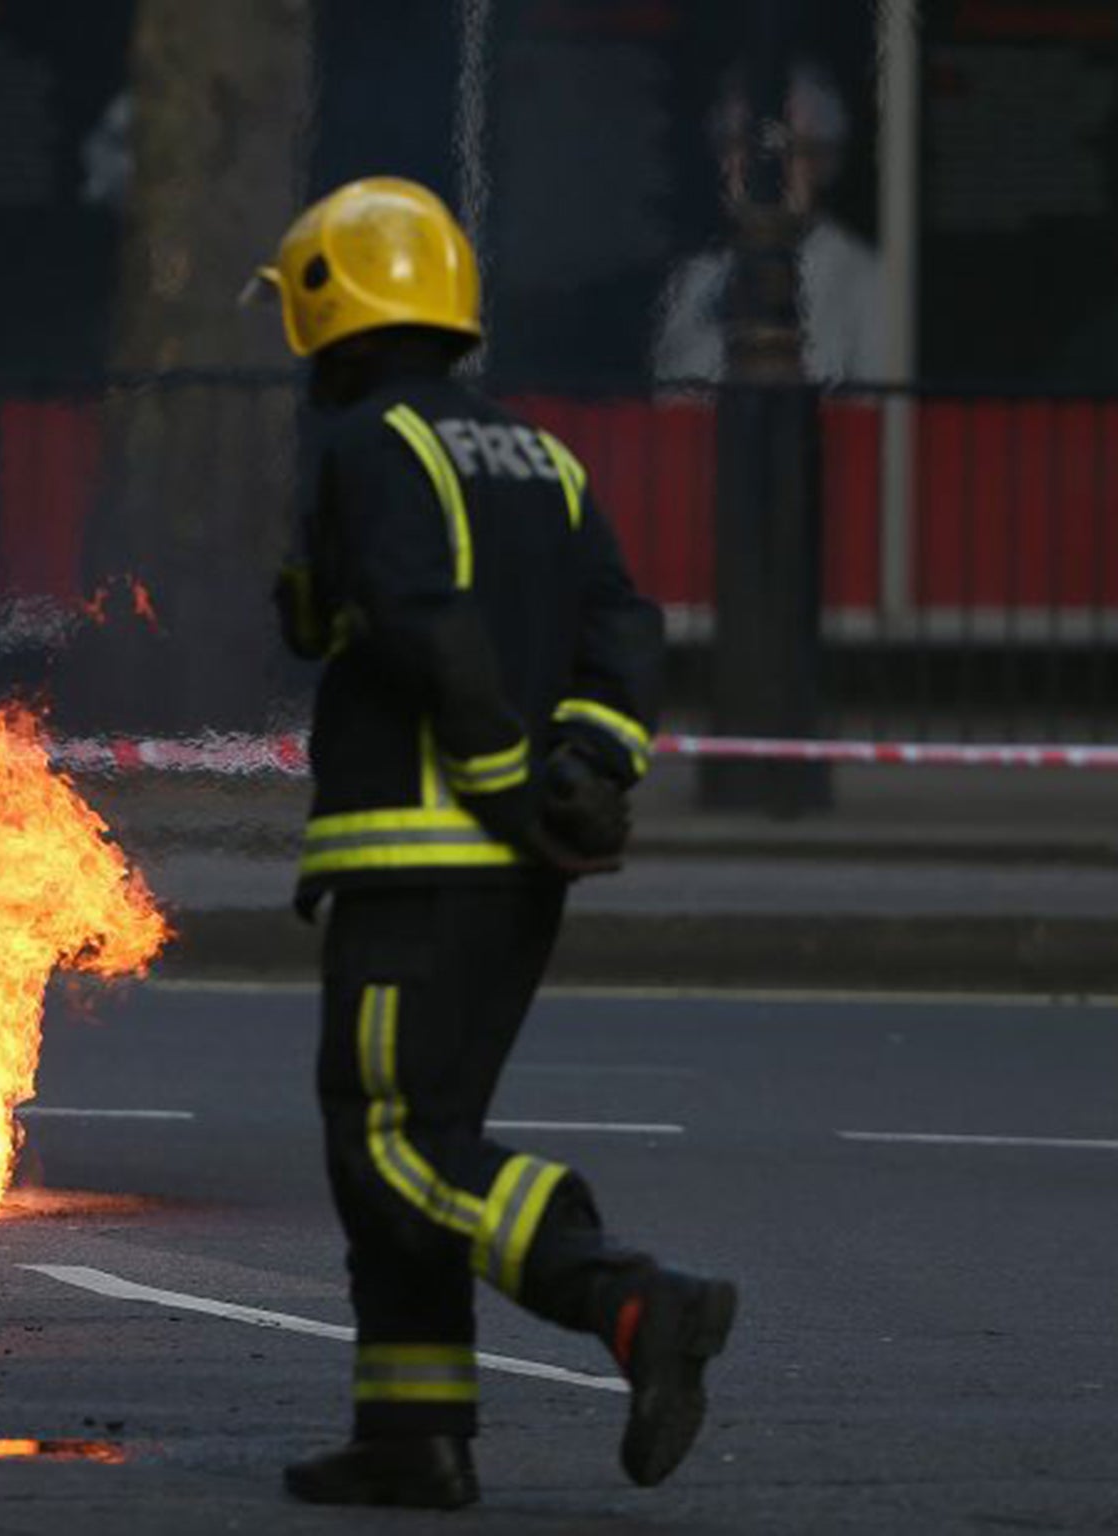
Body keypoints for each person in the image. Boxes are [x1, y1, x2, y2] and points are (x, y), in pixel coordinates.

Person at [255, 177, 737, 1511]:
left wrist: (505, 775)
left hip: (420, 857)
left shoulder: (369, 446)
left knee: (390, 1144)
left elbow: (420, 622)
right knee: (428, 1131)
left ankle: (635, 1303)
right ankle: (413, 1436)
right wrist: (588, 768)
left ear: (326, 305)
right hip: (519, 877)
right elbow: (621, 629)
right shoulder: (544, 456)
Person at [653, 60, 886, 385]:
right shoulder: (699, 278)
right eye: (737, 146)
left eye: (788, 151)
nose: (760, 171)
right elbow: (669, 396)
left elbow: (878, 418)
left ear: (823, 162)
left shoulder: (867, 281)